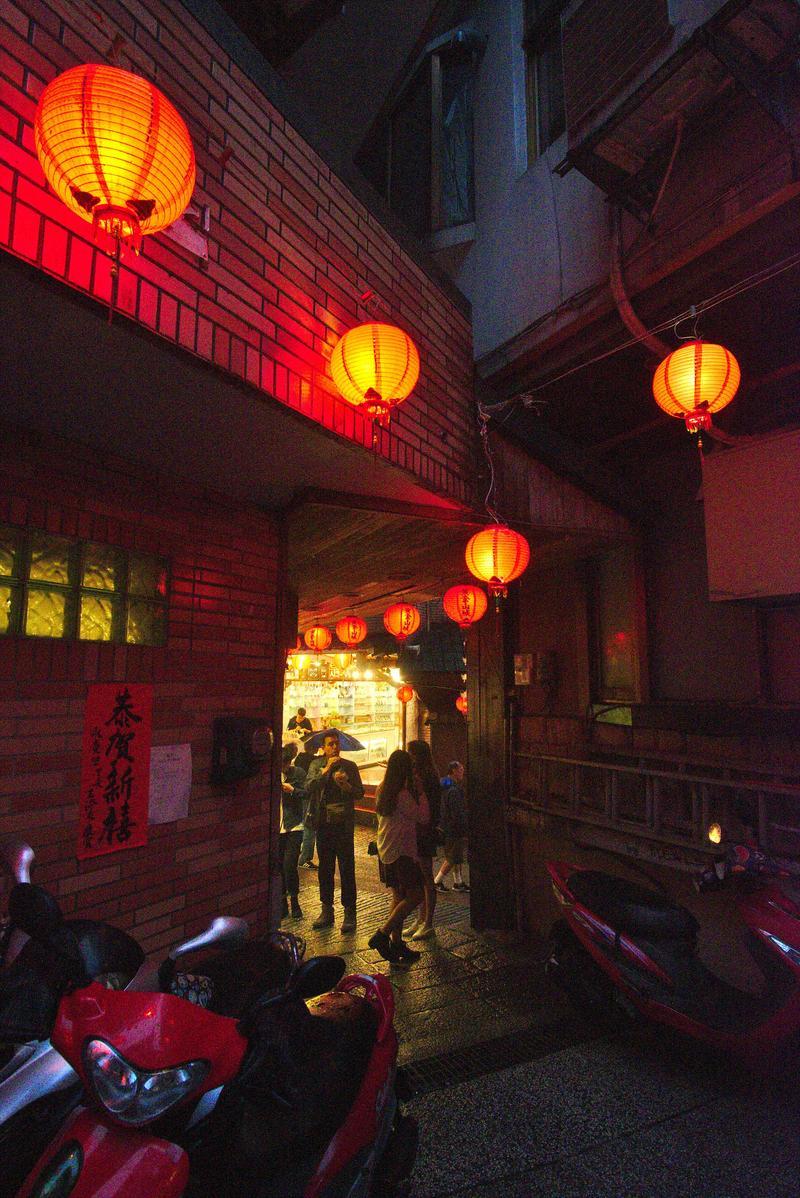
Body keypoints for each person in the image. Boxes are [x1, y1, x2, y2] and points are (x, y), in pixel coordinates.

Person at [368, 750, 424, 964]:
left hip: (386, 849)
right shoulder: (403, 794)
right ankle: (383, 934)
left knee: (398, 897)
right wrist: (421, 792)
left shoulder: (383, 789)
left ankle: (397, 943)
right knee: (416, 895)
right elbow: (422, 816)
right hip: (402, 852)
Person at [305, 731, 363, 932]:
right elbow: (309, 787)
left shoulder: (349, 766)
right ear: (323, 747)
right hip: (323, 824)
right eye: (330, 744)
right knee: (325, 868)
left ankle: (350, 913)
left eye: (337, 744)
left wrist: (346, 785)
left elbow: (359, 793)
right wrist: (326, 769)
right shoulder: (316, 765)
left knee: (347, 868)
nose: (335, 747)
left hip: (344, 825)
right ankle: (326, 910)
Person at [406, 739, 441, 940]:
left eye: (411, 753)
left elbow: (428, 808)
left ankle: (428, 922)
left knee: (427, 877)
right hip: (418, 830)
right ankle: (420, 919)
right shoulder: (422, 775)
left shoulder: (427, 777)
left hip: (424, 831)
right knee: (420, 876)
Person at [278, 743, 306, 920]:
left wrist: (293, 790)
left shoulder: (298, 774)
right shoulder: (273, 775)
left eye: (287, 763)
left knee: (289, 865)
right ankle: (282, 904)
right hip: (278, 828)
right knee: (279, 866)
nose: (285, 767)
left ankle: (295, 901)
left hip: (294, 826)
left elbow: (307, 793)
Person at [435, 761, 469, 892]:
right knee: (452, 857)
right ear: (454, 770)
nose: (463, 773)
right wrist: (462, 825)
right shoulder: (454, 790)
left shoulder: (445, 785)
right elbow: (457, 812)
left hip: (446, 826)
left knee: (457, 856)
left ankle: (458, 882)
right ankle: (437, 881)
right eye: (461, 770)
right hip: (453, 829)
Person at [295, 735, 318, 869]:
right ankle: (304, 858)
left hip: (300, 796)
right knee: (310, 826)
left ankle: (299, 855)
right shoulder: (314, 761)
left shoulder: (299, 758)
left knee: (304, 824)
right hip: (309, 796)